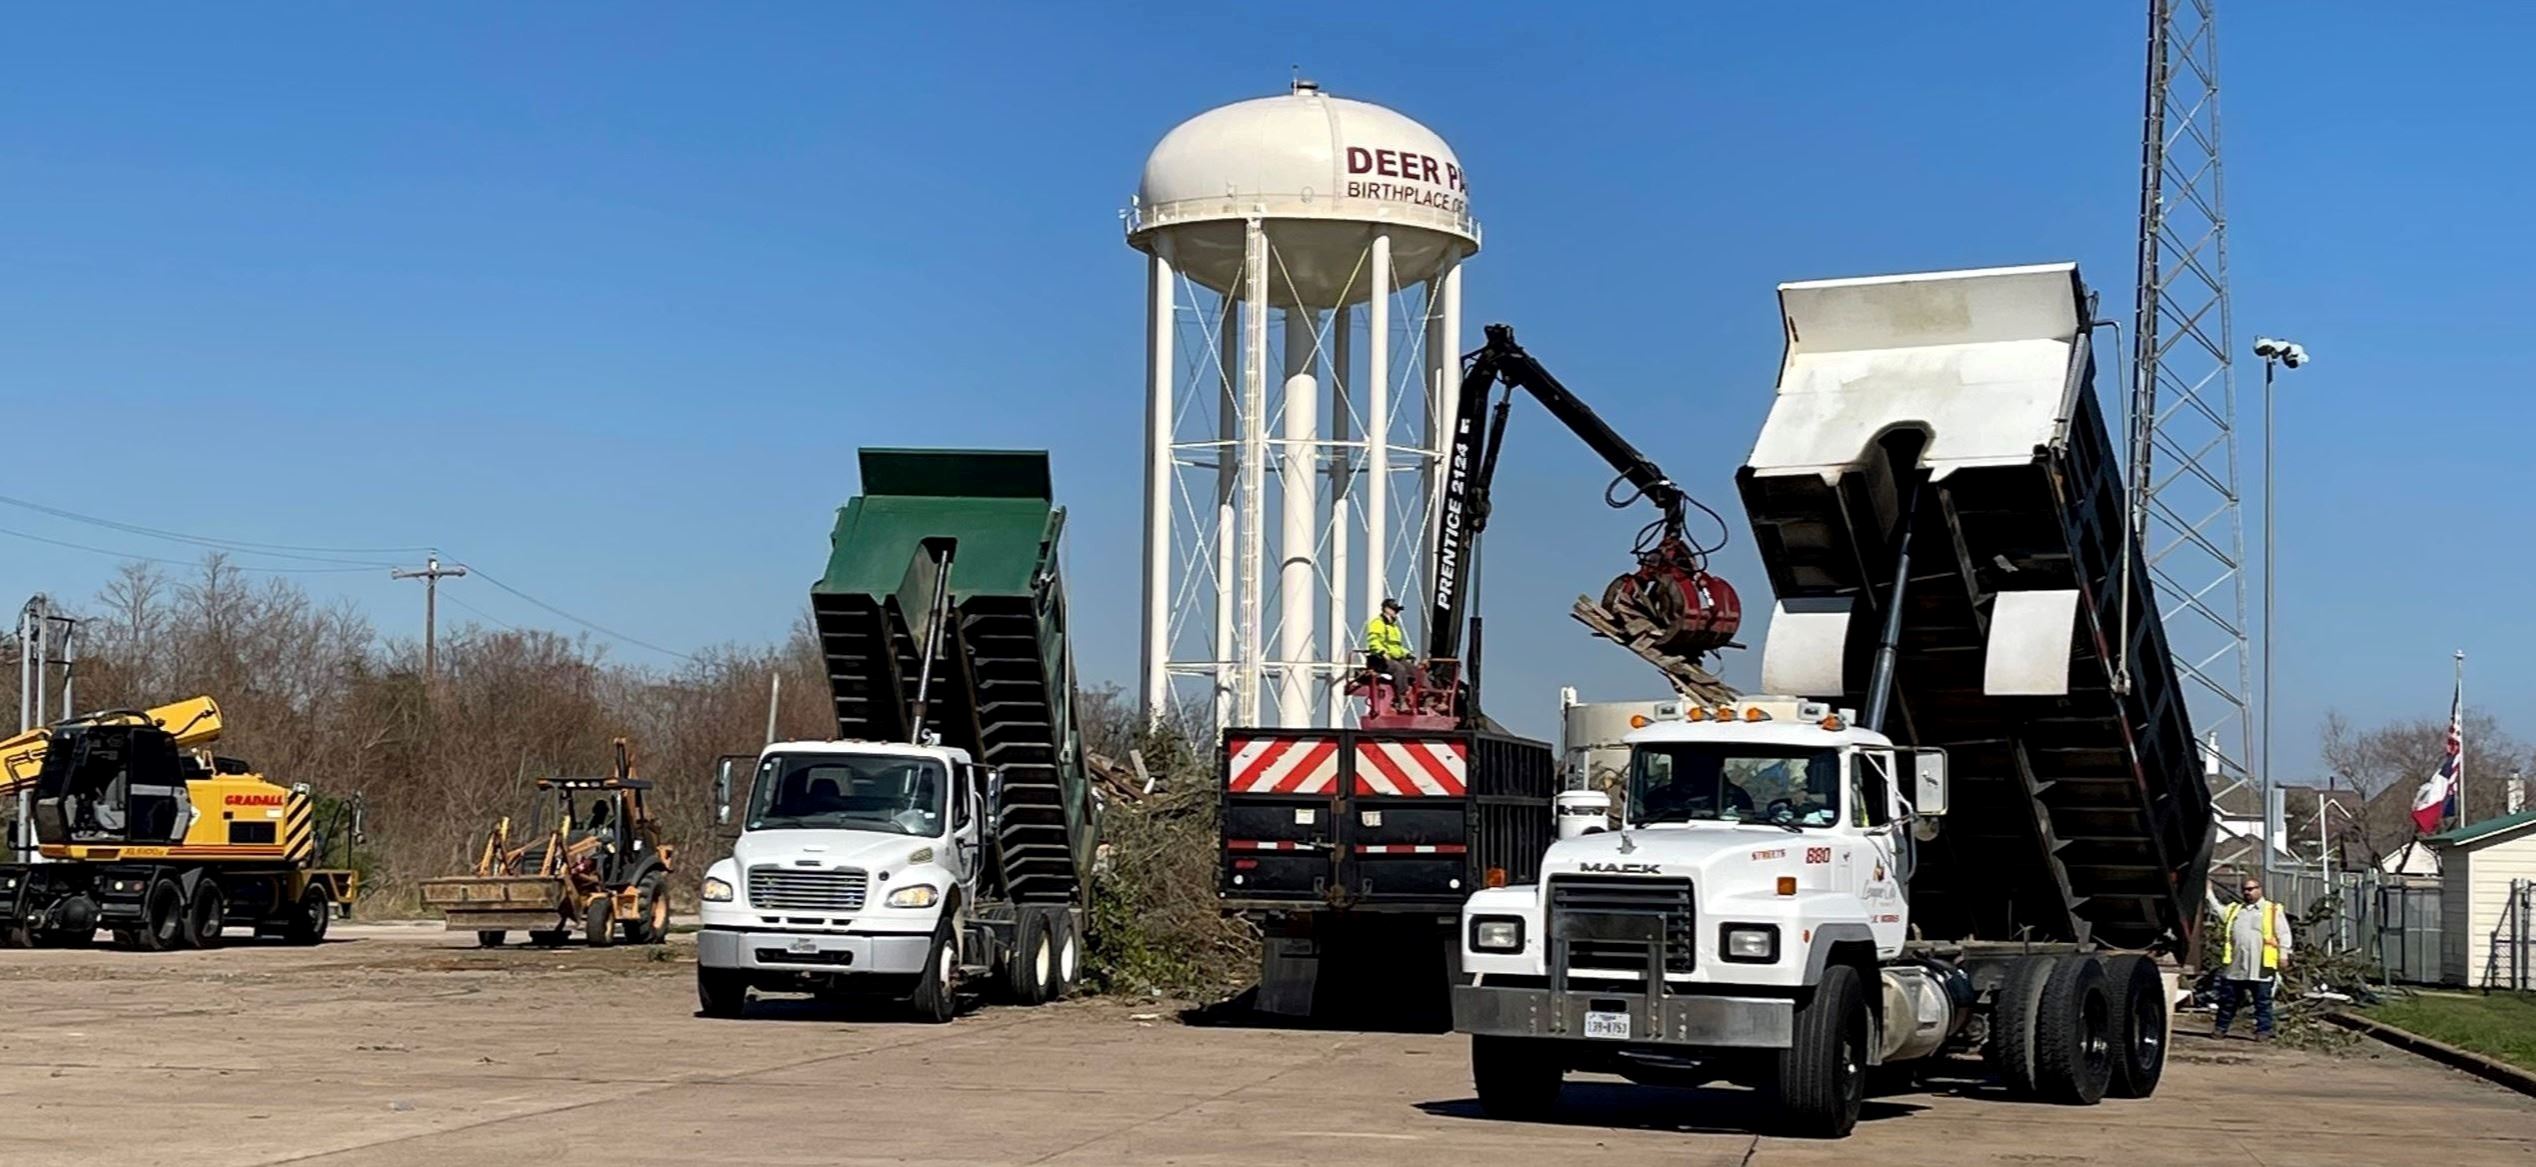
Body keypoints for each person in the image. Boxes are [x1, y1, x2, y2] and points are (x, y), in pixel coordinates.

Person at [2212, 876, 2291, 1039]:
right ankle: (2221, 1028)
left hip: (2261, 967)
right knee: (2228, 1001)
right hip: (2236, 966)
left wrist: (2283, 955)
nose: (2247, 892)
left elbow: (2283, 933)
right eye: (2245, 889)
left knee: (2262, 1002)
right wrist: (2208, 894)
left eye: (2251, 889)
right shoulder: (2235, 910)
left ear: (2259, 889)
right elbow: (2218, 910)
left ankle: (2264, 1030)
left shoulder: (2271, 910)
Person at [1362, 598, 1414, 694]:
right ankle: (1401, 698)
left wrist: (1407, 653)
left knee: (1416, 671)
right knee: (1399, 669)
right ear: (1386, 609)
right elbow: (1374, 641)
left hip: (1395, 658)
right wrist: (1382, 652)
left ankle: (1427, 696)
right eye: (1395, 610)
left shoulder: (1394, 627)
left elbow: (1396, 647)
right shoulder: (1378, 623)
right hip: (1380, 660)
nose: (1396, 612)